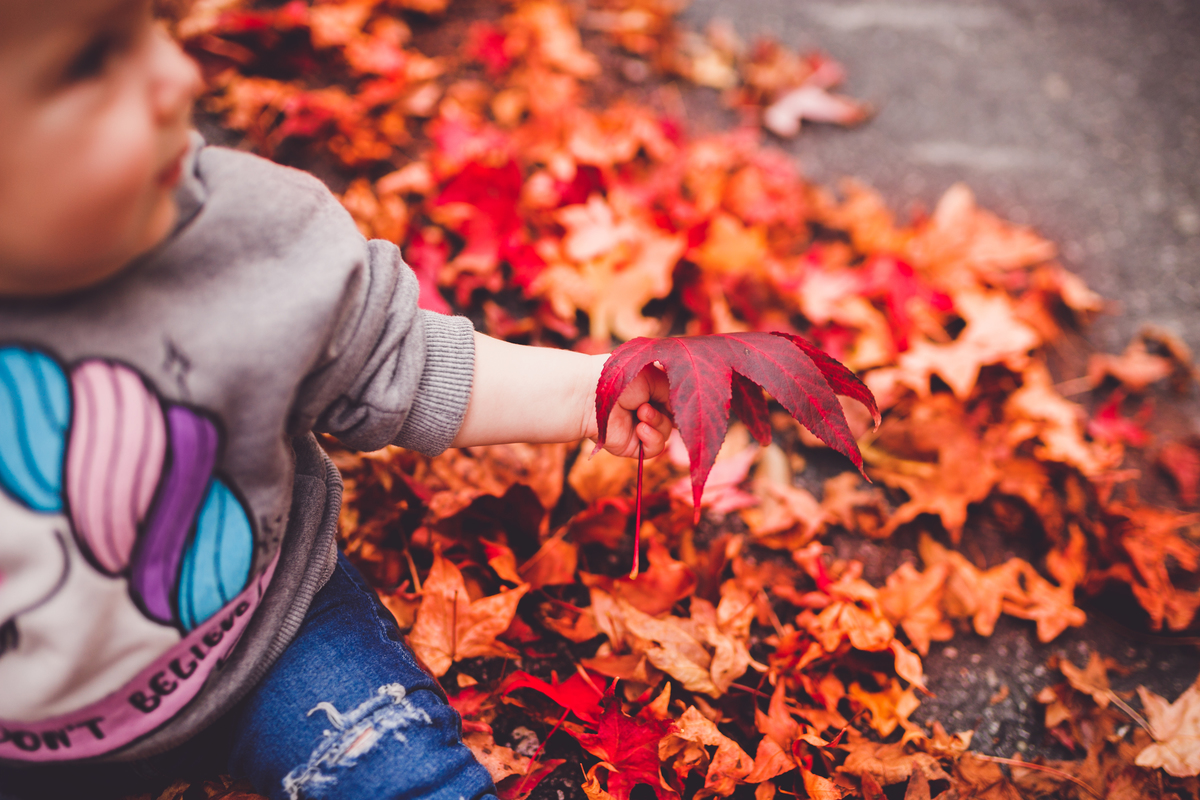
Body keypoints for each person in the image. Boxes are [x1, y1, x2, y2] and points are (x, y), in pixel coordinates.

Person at [0, 0, 674, 798]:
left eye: (145, 28)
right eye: (88, 65)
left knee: (407, 779)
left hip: (270, 636)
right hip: (29, 747)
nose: (175, 75)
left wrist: (586, 392)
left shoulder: (245, 237)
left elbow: (398, 359)